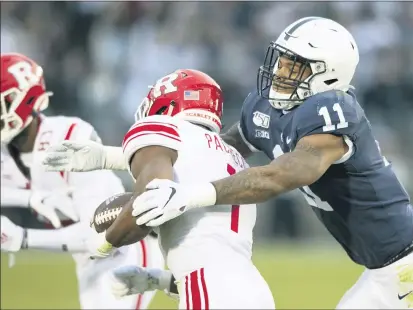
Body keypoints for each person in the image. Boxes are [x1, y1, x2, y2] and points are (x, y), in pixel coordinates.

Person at [43, 17, 413, 309]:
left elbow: (288, 173)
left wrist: (192, 196)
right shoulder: (265, 109)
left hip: (412, 266)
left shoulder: (333, 108)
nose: (280, 72)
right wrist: (110, 156)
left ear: (327, 75)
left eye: (294, 66)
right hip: (381, 271)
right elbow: (210, 152)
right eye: (281, 61)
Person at [44, 69, 275, 309]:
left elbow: (149, 204)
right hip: (253, 290)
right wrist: (159, 280)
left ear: (166, 106)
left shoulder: (160, 128)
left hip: (207, 289)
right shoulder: (232, 157)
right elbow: (218, 260)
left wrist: (104, 243)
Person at [0, 52, 164, 309]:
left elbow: (98, 233)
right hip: (87, 258)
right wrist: (28, 198)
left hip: (123, 249)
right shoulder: (6, 152)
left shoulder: (68, 138)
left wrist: (22, 238)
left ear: (25, 99)